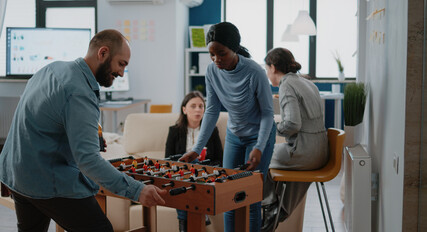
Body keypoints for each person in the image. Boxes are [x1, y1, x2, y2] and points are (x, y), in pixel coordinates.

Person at [0, 29, 167, 232]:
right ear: (103, 53)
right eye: (121, 64)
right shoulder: (79, 91)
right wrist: (137, 191)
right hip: (46, 180)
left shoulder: (52, 69)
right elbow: (88, 161)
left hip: (18, 174)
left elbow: (29, 121)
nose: (122, 73)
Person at [179, 22, 276, 232]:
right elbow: (212, 110)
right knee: (228, 197)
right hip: (235, 135)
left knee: (250, 199)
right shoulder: (212, 71)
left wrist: (259, 146)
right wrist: (196, 149)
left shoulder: (254, 72)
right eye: (211, 54)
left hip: (259, 137)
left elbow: (268, 113)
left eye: (221, 53)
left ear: (234, 48)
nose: (216, 60)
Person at [261, 48, 328, 231]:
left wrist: (275, 128)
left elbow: (292, 124)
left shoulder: (286, 85)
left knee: (262, 157)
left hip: (305, 153)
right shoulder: (308, 83)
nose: (267, 74)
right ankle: (279, 210)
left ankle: (268, 207)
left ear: (273, 67)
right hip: (321, 154)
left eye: (267, 69)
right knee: (283, 163)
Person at [165, 90, 223, 232]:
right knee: (183, 185)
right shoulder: (174, 131)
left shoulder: (212, 130)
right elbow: (167, 160)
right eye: (193, 106)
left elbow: (219, 160)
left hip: (205, 175)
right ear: (184, 109)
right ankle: (201, 213)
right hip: (181, 175)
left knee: (195, 163)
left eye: (201, 106)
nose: (198, 109)